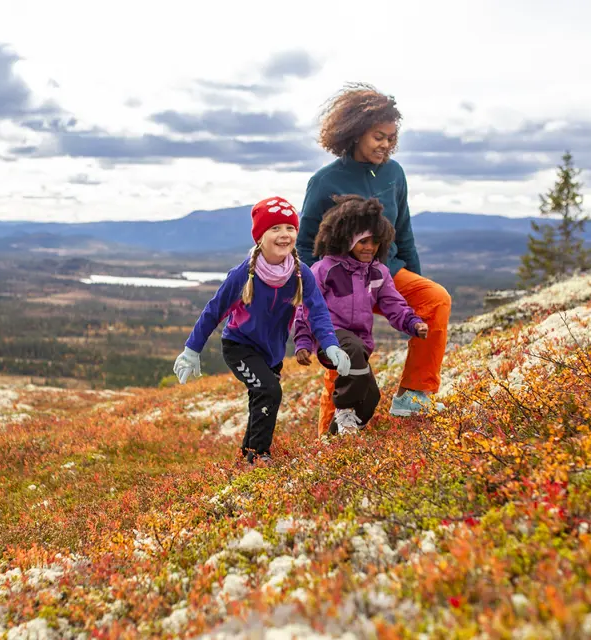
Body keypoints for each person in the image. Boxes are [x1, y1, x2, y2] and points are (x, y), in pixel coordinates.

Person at [297, 82, 452, 433]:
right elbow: (305, 245)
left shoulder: (395, 174)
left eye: (390, 138)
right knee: (343, 363)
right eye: (378, 136)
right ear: (353, 133)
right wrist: (313, 298)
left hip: (385, 274)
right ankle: (329, 441)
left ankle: (414, 396)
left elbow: (404, 231)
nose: (385, 144)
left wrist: (415, 281)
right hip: (339, 284)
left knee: (436, 299)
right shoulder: (324, 182)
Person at [173, 196, 352, 465]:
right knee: (269, 391)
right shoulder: (243, 274)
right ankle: (259, 456)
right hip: (240, 347)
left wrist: (330, 344)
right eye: (275, 228)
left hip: (273, 353)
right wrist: (191, 350)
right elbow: (214, 310)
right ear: (260, 236)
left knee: (262, 397)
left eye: (290, 228)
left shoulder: (301, 273)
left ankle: (246, 457)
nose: (284, 234)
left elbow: (318, 312)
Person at [293, 194, 428, 436]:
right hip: (330, 338)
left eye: (375, 242)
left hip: (360, 345)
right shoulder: (324, 269)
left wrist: (412, 322)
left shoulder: (379, 273)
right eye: (363, 241)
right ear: (346, 240)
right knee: (351, 349)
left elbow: (393, 304)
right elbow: (306, 307)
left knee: (370, 398)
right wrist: (303, 341)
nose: (370, 247)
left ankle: (335, 441)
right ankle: (343, 410)